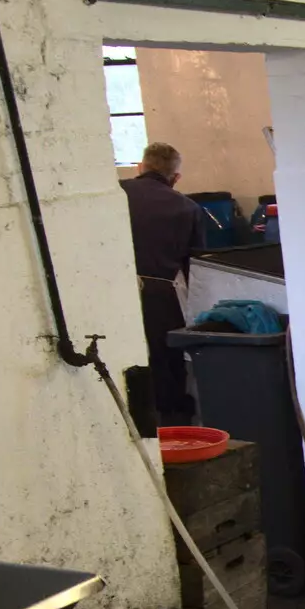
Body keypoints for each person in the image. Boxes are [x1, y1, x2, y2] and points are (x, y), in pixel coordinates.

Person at [121, 142, 204, 422]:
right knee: (166, 360)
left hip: (113, 289)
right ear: (176, 177)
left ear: (140, 167)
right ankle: (173, 422)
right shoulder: (188, 208)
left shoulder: (114, 194)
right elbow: (195, 265)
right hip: (160, 295)